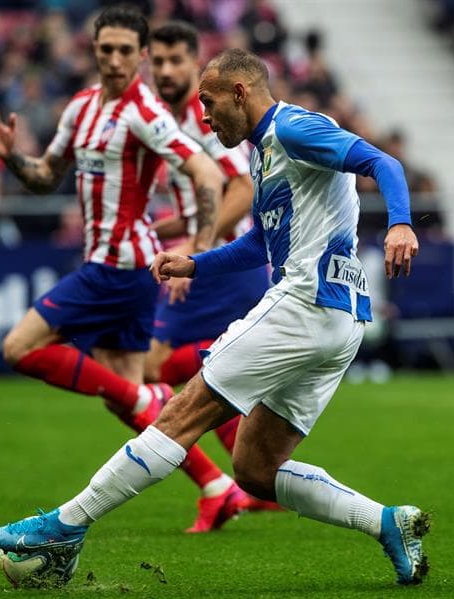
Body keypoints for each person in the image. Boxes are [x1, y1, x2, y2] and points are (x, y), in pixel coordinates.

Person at [0, 48, 430, 587]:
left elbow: (384, 163)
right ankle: (386, 524)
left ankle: (63, 527)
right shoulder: (265, 153)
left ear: (241, 93)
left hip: (306, 305)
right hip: (339, 321)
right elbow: (259, 246)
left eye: (210, 102)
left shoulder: (293, 128)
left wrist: (401, 223)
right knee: (255, 469)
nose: (205, 116)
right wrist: (195, 263)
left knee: (182, 411)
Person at [0, 5, 247, 533]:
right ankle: (216, 487)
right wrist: (12, 159)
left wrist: (198, 251)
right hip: (113, 267)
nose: (117, 59)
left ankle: (148, 400)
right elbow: (46, 175)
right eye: (107, 50)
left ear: (141, 56)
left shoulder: (144, 112)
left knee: (19, 347)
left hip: (118, 268)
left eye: (127, 51)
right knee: (128, 399)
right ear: (94, 51)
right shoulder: (80, 109)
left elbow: (208, 174)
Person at [146, 22, 271, 470]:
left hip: (224, 262)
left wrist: (196, 251)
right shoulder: (176, 123)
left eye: (176, 59)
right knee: (209, 369)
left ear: (197, 65)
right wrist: (156, 231)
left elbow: (239, 189)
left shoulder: (204, 123)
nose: (165, 69)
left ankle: (214, 485)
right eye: (157, 60)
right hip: (225, 260)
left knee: (150, 369)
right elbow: (208, 203)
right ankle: (253, 474)